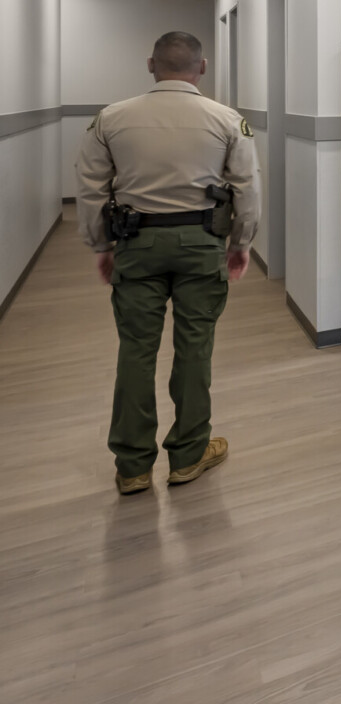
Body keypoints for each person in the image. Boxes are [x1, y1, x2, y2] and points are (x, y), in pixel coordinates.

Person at [75, 31, 260, 495]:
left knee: (136, 350)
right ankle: (189, 454)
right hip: (202, 244)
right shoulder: (226, 119)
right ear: (202, 68)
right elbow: (247, 190)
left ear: (150, 64)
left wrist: (101, 246)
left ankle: (133, 465)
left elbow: (91, 190)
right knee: (194, 348)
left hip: (136, 244)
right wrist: (242, 243)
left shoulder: (111, 119)